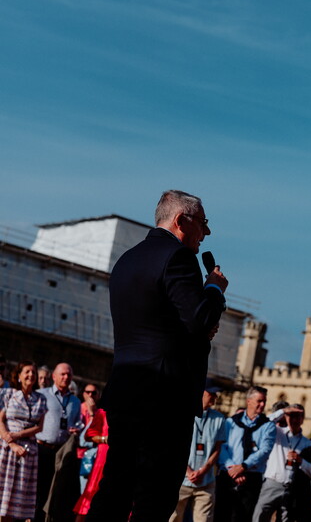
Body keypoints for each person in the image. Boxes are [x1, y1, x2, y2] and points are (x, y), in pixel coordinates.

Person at [88, 190, 228, 522]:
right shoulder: (178, 257)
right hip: (163, 396)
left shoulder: (128, 259)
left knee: (115, 487)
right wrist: (213, 289)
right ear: (182, 220)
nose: (205, 234)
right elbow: (198, 318)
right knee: (157, 493)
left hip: (126, 390)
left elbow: (156, 323)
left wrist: (193, 331)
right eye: (203, 224)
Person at [215, 386, 276, 522]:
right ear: (249, 401)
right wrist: (232, 468)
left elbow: (265, 450)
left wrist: (243, 466)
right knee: (221, 514)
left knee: (243, 516)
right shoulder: (231, 422)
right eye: (259, 401)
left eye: (264, 401)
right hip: (228, 475)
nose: (262, 405)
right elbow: (222, 447)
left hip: (251, 477)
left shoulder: (267, 426)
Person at [172, 381, 228, 522]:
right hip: (181, 479)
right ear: (201, 393)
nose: (215, 397)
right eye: (211, 393)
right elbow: (175, 445)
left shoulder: (219, 419)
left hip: (206, 481)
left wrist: (203, 471)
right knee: (173, 518)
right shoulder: (181, 414)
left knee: (204, 519)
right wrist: (188, 471)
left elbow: (217, 448)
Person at [252, 405, 311, 522]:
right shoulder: (277, 433)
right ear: (286, 417)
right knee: (259, 517)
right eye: (291, 416)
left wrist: (300, 461)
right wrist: (282, 411)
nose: (294, 420)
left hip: (291, 489)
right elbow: (262, 423)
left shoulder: (308, 444)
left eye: (298, 417)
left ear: (303, 419)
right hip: (272, 484)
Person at [0, 361, 48, 521]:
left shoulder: (40, 399)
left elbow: (39, 427)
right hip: (6, 451)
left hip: (27, 454)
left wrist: (18, 435)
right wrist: (11, 442)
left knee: (18, 502)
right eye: (27, 371)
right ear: (19, 376)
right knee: (3, 499)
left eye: (33, 372)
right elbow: (0, 420)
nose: (31, 375)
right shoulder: (9, 394)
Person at [36, 362, 83, 522]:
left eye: (69, 374)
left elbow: (78, 423)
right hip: (41, 449)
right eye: (62, 374)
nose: (66, 377)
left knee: (55, 492)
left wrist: (76, 430)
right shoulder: (41, 394)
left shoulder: (75, 402)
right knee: (38, 489)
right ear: (54, 376)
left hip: (62, 453)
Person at [73, 403, 109, 521]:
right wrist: (105, 439)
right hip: (102, 459)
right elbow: (89, 435)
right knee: (91, 495)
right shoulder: (103, 412)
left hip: (122, 460)